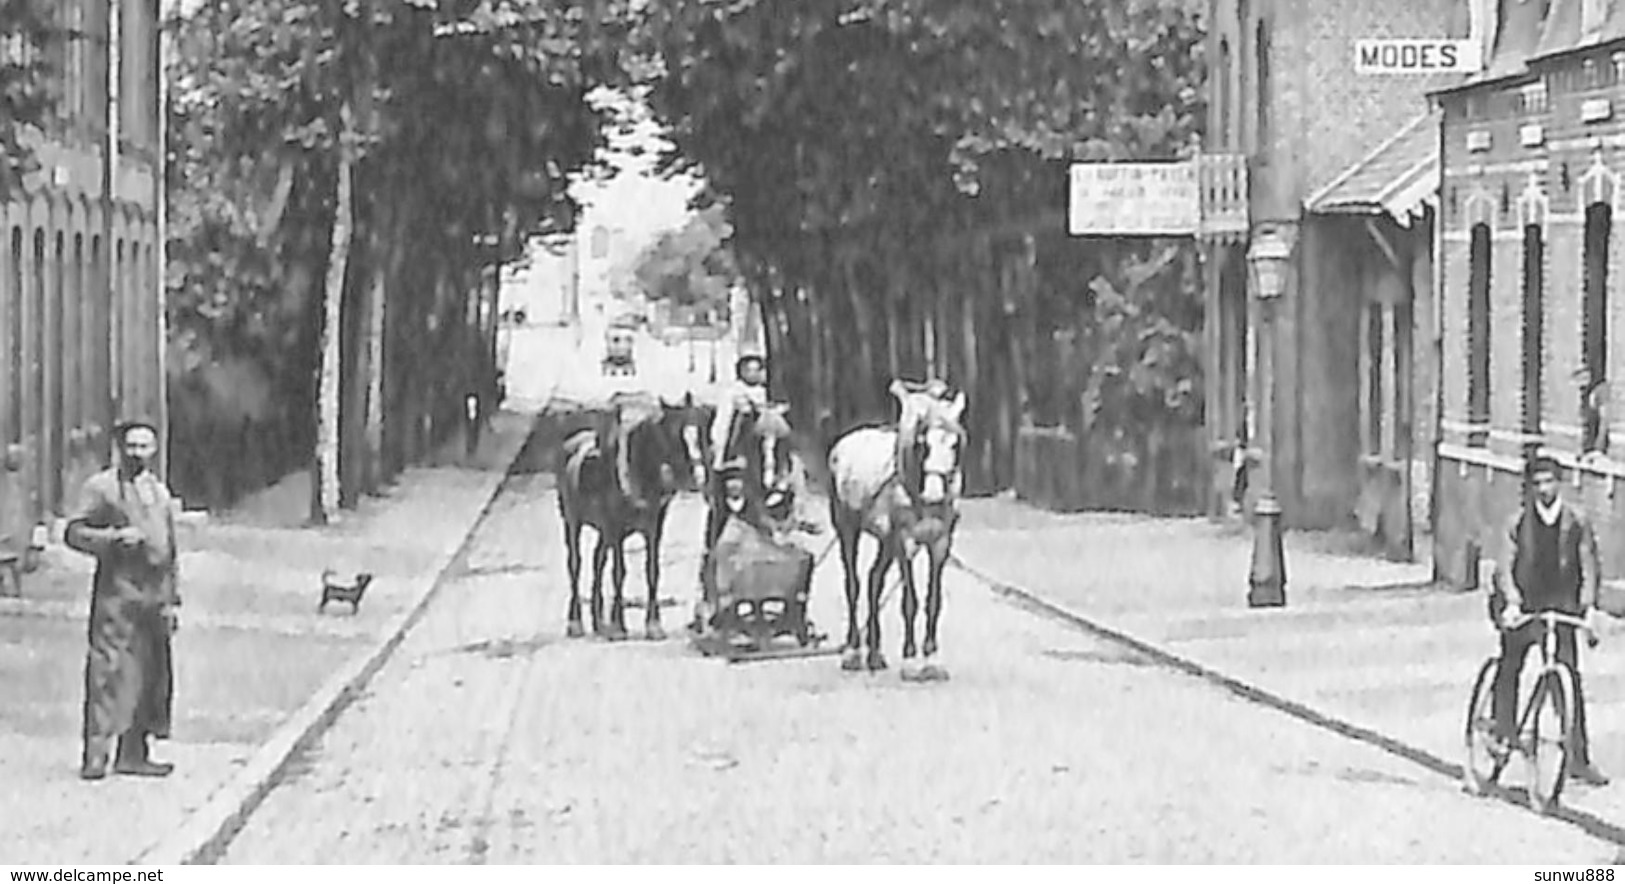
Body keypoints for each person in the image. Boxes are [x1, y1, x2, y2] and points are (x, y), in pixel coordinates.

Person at [66, 419, 181, 780]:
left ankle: (135, 752)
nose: (138, 453)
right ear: (120, 448)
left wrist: (172, 598)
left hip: (153, 595)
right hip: (117, 594)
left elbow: (171, 549)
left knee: (150, 675)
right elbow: (74, 532)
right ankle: (96, 754)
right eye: (131, 446)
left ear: (155, 450)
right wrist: (113, 539)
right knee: (108, 672)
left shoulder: (157, 491)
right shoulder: (101, 488)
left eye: (145, 446)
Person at [1491, 454, 1608, 786]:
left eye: (1549, 481)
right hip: (1525, 603)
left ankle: (1578, 758)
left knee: (1568, 676)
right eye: (1537, 483)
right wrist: (1512, 603)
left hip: (1560, 607)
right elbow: (1505, 566)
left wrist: (1588, 610)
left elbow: (1588, 567)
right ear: (1530, 487)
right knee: (1509, 665)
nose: (1544, 489)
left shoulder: (1576, 521)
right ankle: (1503, 732)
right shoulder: (1517, 522)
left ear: (1559, 483)